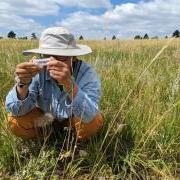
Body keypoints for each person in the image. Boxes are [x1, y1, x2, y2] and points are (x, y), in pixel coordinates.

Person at [5, 27, 103, 141]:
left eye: (60, 56)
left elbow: (90, 115)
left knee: (94, 122)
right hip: (46, 118)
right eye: (46, 56)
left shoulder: (86, 73)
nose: (52, 62)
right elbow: (16, 110)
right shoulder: (36, 71)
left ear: (74, 57)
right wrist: (23, 83)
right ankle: (46, 137)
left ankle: (76, 141)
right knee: (14, 122)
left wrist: (69, 84)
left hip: (73, 120)